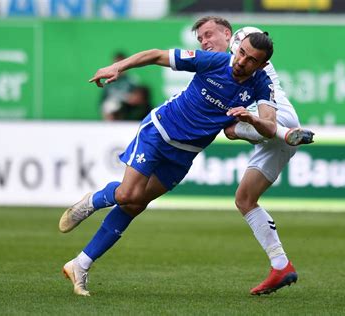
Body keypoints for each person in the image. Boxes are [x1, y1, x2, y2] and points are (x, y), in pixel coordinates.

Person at [59, 32, 291, 296]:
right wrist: (118, 67)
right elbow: (157, 55)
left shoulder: (261, 84)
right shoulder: (213, 61)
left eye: (251, 60)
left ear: (261, 66)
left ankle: (80, 265)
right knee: (127, 194)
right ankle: (93, 201)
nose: (242, 61)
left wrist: (251, 119)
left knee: (134, 206)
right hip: (159, 132)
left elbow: (270, 126)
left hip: (185, 154)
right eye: (242, 53)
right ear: (237, 48)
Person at [192, 16, 314, 295]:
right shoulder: (222, 67)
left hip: (276, 117)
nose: (205, 42)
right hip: (267, 134)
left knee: (234, 128)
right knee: (244, 199)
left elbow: (263, 46)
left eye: (209, 35)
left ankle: (285, 133)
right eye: (200, 39)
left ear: (228, 33)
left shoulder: (247, 37)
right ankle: (281, 265)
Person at [100, 52, 139, 120]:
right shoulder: (108, 81)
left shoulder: (132, 80)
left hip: (126, 110)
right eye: (116, 64)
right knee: (109, 106)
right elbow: (102, 100)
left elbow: (137, 99)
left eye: (121, 64)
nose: (118, 67)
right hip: (110, 109)